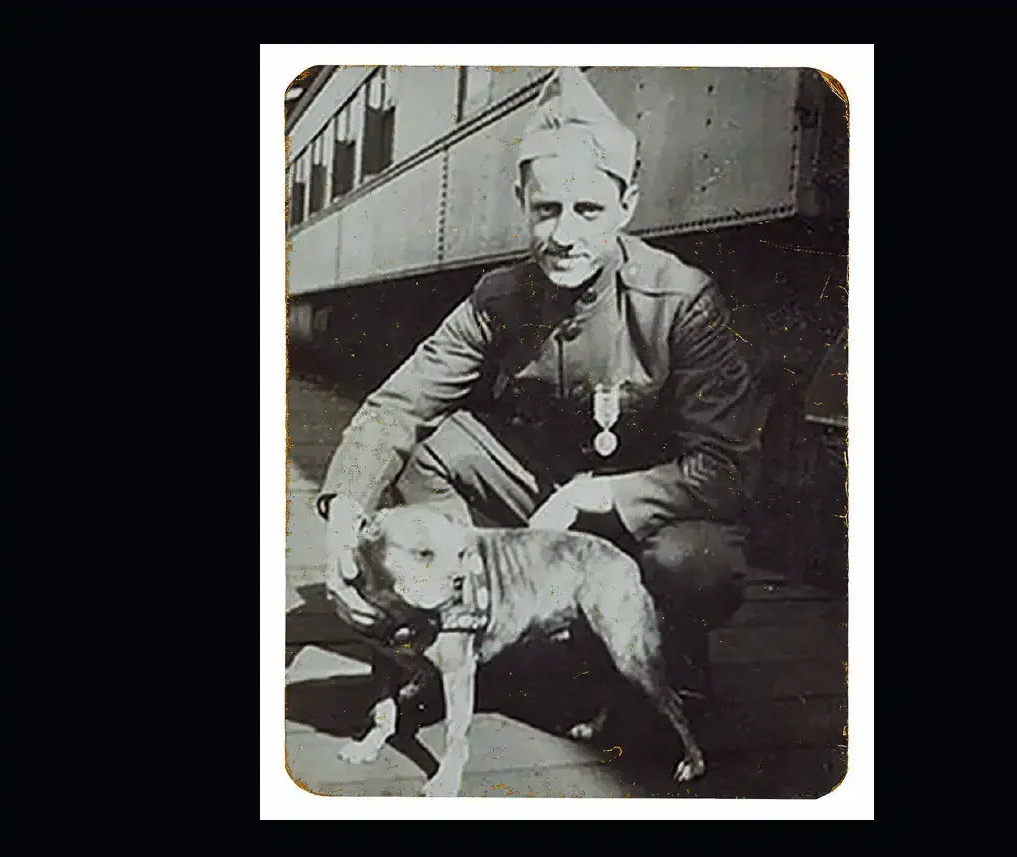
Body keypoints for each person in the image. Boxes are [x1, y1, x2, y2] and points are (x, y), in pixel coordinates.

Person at [317, 67, 764, 706]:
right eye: (546, 210)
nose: (564, 235)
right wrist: (344, 524)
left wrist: (599, 494)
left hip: (642, 517)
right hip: (535, 498)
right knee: (429, 444)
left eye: (588, 210)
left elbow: (723, 470)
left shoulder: (680, 299)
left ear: (627, 206)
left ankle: (674, 653)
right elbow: (396, 407)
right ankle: (477, 620)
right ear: (521, 201)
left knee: (698, 562)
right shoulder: (499, 298)